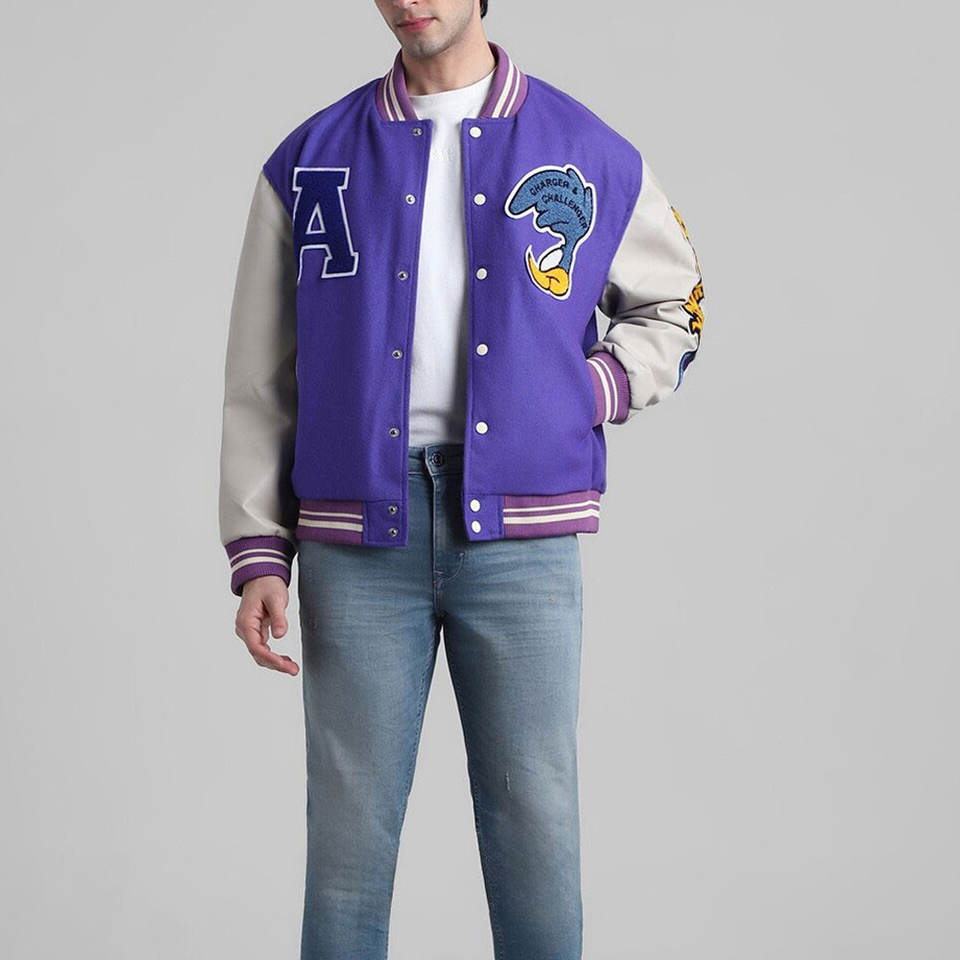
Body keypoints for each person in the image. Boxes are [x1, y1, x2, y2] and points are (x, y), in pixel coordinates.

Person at [218, 2, 706, 957]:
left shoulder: (585, 148)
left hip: (522, 540)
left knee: (536, 833)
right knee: (347, 845)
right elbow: (258, 372)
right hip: (357, 540)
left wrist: (585, 392)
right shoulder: (310, 161)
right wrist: (258, 547)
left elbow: (676, 304)